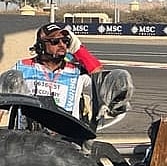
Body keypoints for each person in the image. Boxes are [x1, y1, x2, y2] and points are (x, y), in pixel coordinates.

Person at [0, 23, 133, 124]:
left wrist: (78, 49)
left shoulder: (77, 72)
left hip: (66, 140)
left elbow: (99, 75)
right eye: (55, 41)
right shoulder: (21, 67)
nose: (62, 45)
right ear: (40, 46)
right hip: (28, 140)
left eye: (65, 41)